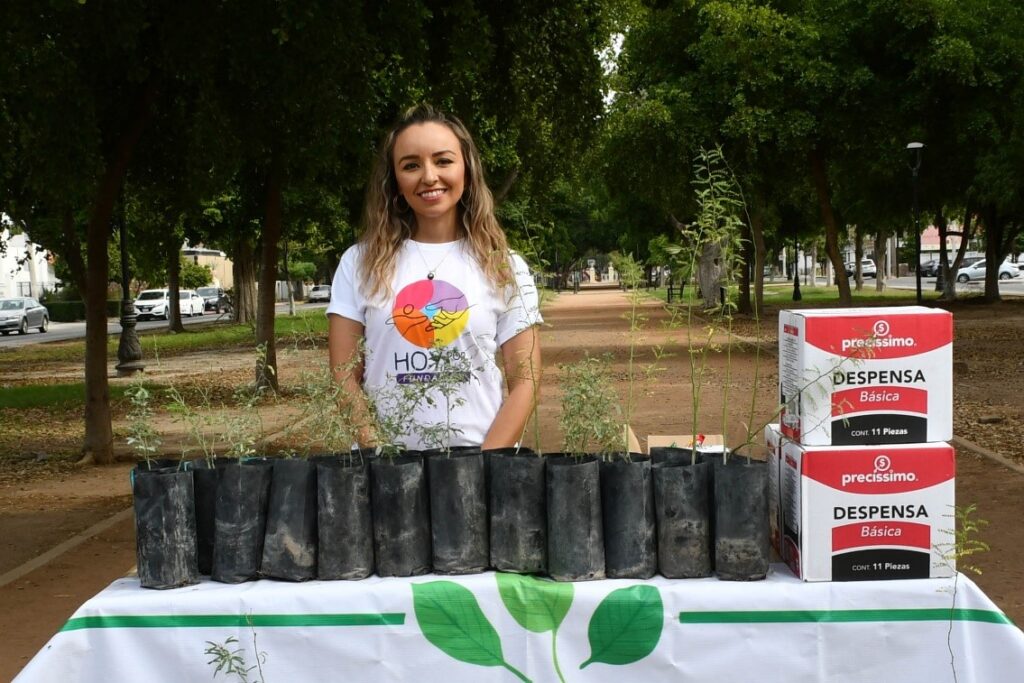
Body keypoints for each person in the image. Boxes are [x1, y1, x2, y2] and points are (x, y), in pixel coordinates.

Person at [326, 104, 542, 451]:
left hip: (482, 461)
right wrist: (382, 459)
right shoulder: (359, 263)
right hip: (387, 468)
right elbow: (343, 376)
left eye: (443, 161)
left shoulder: (504, 265)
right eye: (411, 165)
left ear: (467, 171)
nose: (429, 176)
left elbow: (525, 380)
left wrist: (486, 465)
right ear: (395, 181)